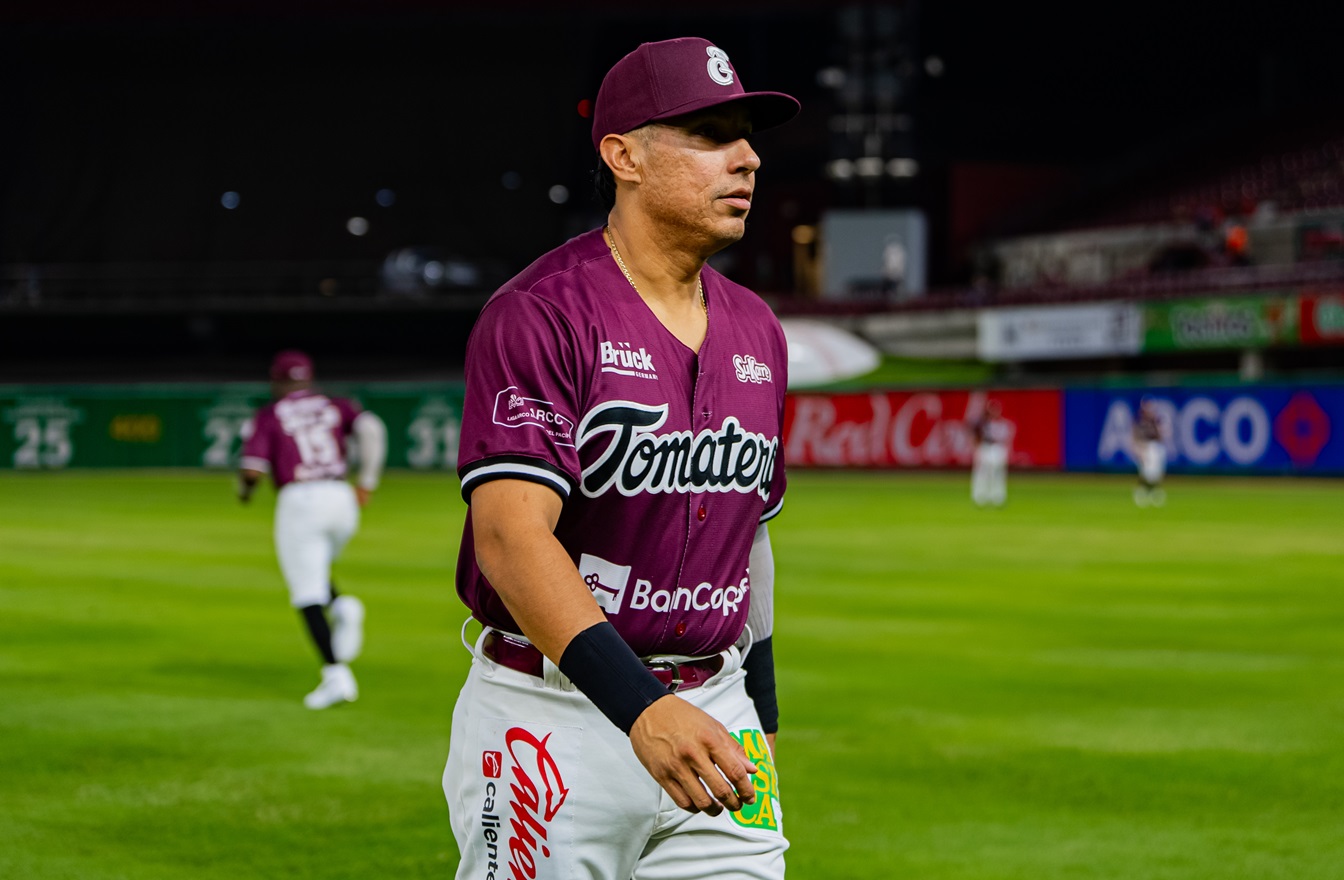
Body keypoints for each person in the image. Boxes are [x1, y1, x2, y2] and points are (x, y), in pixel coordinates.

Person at [442, 37, 798, 880]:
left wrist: (765, 711)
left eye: (746, 133)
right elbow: (508, 536)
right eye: (710, 134)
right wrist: (642, 709)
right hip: (551, 713)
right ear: (623, 155)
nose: (747, 157)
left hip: (718, 707)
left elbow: (752, 541)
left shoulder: (759, 328)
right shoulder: (540, 314)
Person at [237, 350, 387, 709]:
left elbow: (253, 471)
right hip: (340, 497)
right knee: (316, 571)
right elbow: (372, 428)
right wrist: (367, 479)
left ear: (276, 381)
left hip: (301, 500)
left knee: (305, 592)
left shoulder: (270, 414)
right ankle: (342, 605)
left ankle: (336, 675)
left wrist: (245, 491)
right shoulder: (334, 404)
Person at [968, 398, 1010, 507]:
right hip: (985, 447)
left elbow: (1006, 439)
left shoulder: (1004, 423)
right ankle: (979, 497)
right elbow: (975, 436)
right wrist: (976, 449)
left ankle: (997, 497)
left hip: (998, 448)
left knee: (998, 473)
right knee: (982, 473)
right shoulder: (982, 423)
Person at [1131, 398, 1168, 507]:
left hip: (1155, 447)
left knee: (1156, 472)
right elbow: (1135, 435)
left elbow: (1162, 435)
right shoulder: (1139, 420)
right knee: (1145, 472)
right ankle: (1141, 492)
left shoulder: (1157, 420)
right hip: (1144, 446)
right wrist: (1137, 448)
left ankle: (1155, 493)